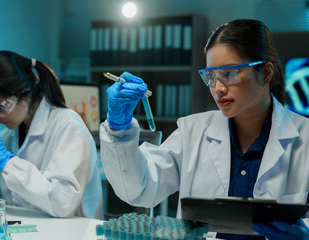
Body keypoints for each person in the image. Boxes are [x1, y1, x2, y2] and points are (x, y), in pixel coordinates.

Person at [99, 19, 309, 239]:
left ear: (266, 73)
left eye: (229, 73)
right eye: (211, 76)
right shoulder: (193, 132)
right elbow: (139, 189)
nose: (218, 88)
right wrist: (118, 127)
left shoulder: (305, 138)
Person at [0, 50, 102, 219]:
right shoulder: (10, 133)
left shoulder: (68, 126)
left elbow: (62, 204)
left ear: (24, 93)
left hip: (73, 232)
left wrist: (6, 160)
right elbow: (9, 198)